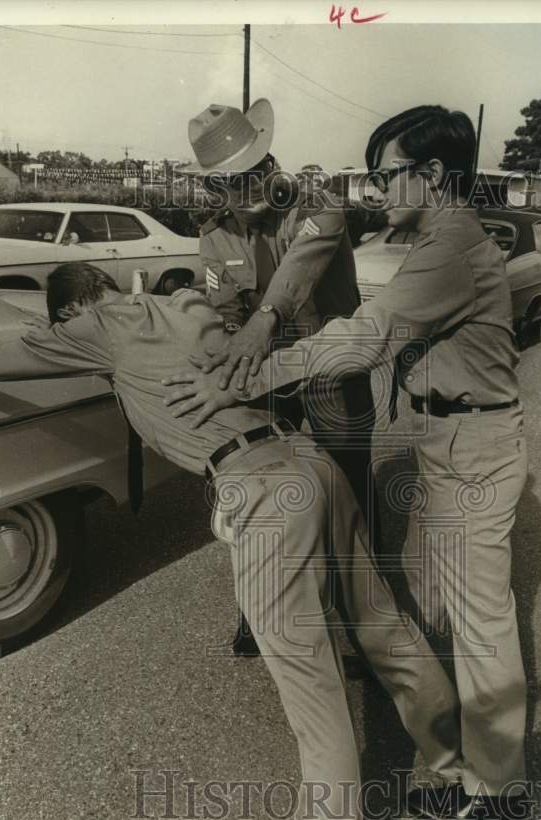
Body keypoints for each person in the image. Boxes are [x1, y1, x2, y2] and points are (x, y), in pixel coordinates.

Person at [0, 262, 463, 820]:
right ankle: (458, 768)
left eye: (66, 321)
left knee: (315, 701)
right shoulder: (187, 305)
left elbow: (9, 354)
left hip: (263, 493)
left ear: (75, 310)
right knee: (382, 626)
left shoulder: (95, 325)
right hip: (311, 465)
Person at [162, 105, 530, 820]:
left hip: (453, 435)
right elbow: (225, 304)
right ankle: (480, 766)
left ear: (430, 175)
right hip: (450, 438)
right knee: (468, 610)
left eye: (387, 175)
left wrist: (245, 373)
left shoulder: (429, 239)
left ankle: (495, 789)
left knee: (477, 618)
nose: (375, 190)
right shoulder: (438, 236)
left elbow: (362, 337)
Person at [187, 99, 384, 656]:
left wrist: (263, 320)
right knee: (267, 495)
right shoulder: (215, 237)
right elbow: (222, 310)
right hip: (267, 379)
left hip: (329, 374)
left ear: (271, 161)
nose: (249, 187)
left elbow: (295, 276)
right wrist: (220, 345)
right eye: (233, 181)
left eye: (256, 170)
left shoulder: (317, 207)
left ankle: (368, 628)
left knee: (350, 498)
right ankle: (264, 604)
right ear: (215, 189)